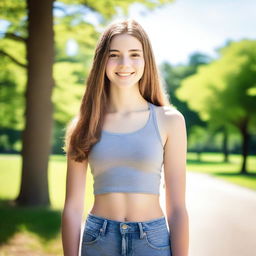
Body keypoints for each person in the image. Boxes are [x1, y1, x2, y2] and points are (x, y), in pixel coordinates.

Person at [61, 19, 189, 256]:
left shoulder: (170, 120)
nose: (124, 63)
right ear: (102, 61)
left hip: (152, 240)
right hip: (98, 239)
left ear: (146, 60)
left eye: (134, 54)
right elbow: (72, 207)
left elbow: (178, 207)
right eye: (114, 55)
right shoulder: (83, 124)